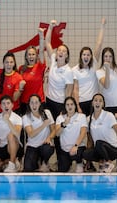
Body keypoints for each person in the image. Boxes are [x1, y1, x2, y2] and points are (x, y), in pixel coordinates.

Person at [45, 20, 74, 162]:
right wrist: (50, 27)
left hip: (60, 104)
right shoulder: (53, 62)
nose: (60, 52)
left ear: (67, 56)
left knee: (59, 131)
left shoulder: (68, 71)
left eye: (64, 51)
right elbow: (47, 43)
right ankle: (49, 159)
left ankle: (62, 160)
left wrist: (65, 109)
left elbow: (69, 91)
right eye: (59, 50)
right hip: (48, 101)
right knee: (50, 130)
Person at [72, 17, 106, 115]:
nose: (86, 56)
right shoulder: (75, 69)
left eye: (88, 55)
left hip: (94, 102)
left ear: (91, 56)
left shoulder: (94, 65)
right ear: (80, 56)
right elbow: (75, 89)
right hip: (81, 102)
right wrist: (77, 106)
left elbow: (99, 45)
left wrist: (102, 26)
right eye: (84, 54)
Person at [83, 93, 117, 173]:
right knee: (86, 153)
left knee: (99, 143)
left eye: (100, 101)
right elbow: (90, 139)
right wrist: (88, 161)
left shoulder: (109, 116)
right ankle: (102, 163)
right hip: (99, 148)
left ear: (103, 104)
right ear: (92, 103)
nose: (98, 102)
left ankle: (108, 163)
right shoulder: (89, 119)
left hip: (112, 149)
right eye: (96, 100)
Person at [22, 94, 55, 172]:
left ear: (40, 103)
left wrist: (49, 138)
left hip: (44, 144)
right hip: (32, 146)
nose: (34, 105)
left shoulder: (47, 113)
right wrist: (44, 125)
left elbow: (54, 130)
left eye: (36, 102)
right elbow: (31, 134)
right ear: (29, 104)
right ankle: (37, 161)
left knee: (47, 149)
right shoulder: (26, 117)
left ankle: (44, 162)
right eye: (32, 103)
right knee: (28, 168)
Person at [18, 28, 47, 115]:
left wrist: (41, 37)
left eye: (33, 54)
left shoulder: (40, 66)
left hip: (39, 101)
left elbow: (41, 50)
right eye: (29, 54)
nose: (31, 56)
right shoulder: (21, 69)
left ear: (36, 56)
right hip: (25, 102)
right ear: (26, 56)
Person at [55, 97, 88, 172]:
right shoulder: (60, 118)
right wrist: (63, 124)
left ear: (75, 106)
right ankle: (69, 164)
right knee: (62, 171)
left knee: (79, 169)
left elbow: (83, 132)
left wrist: (76, 146)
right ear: (65, 106)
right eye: (67, 105)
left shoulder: (81, 116)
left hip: (78, 148)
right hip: (65, 150)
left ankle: (79, 162)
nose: (70, 106)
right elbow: (57, 134)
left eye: (71, 104)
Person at [0, 95, 23, 173]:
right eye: (3, 103)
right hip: (1, 148)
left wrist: (7, 120)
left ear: (12, 105)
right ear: (0, 106)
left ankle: (12, 164)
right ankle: (8, 162)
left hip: (15, 146)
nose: (6, 105)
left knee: (10, 135)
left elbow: (17, 133)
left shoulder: (17, 118)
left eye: (8, 103)